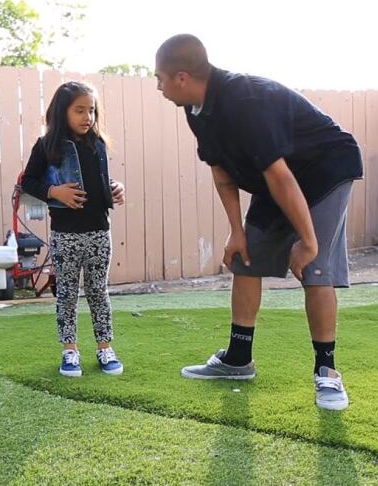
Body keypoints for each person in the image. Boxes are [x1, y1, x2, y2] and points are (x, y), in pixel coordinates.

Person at [154, 34, 363, 410]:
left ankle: (327, 373)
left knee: (314, 267)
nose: (159, 87)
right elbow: (221, 171)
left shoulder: (245, 101)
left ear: (181, 77)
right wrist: (237, 232)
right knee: (244, 257)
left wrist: (309, 241)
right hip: (276, 178)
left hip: (325, 169)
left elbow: (282, 176)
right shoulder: (196, 109)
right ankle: (238, 359)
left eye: (160, 78)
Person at [21, 81, 126, 377]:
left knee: (98, 292)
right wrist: (55, 192)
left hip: (98, 232)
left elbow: (100, 182)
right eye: (79, 110)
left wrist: (115, 188)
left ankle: (105, 348)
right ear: (61, 111)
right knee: (67, 293)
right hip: (65, 235)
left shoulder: (98, 144)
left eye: (91, 110)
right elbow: (28, 181)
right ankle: (70, 352)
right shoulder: (47, 146)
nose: (87, 117)